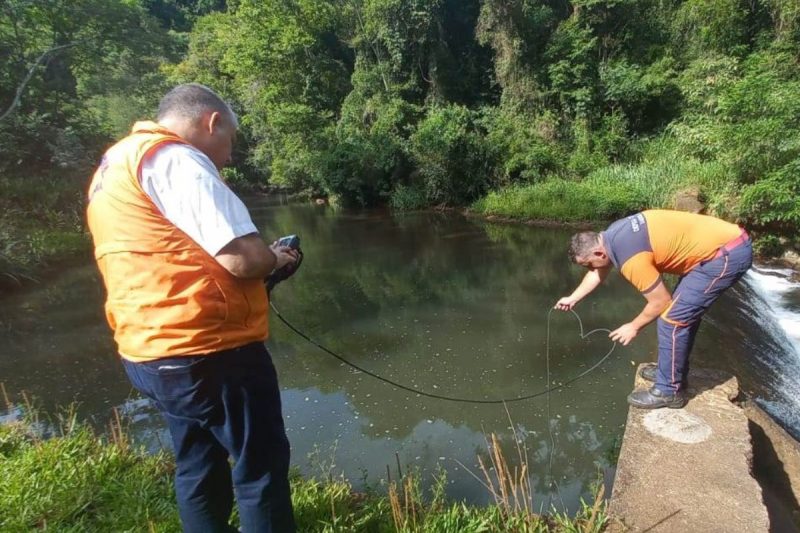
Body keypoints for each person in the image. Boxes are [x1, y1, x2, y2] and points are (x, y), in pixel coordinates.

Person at [86, 83, 298, 532]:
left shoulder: (116, 163)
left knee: (198, 464)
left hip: (151, 351)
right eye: (231, 142)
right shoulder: (177, 160)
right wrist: (275, 259)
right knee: (260, 469)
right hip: (211, 353)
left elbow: (175, 258)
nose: (228, 155)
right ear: (213, 122)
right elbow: (243, 258)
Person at [555, 210, 752, 409]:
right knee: (681, 313)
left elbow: (661, 301)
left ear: (599, 253)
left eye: (587, 264)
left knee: (672, 319)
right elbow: (598, 271)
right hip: (718, 246)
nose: (589, 268)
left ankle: (668, 392)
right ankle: (672, 373)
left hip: (725, 255)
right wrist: (573, 298)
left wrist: (633, 326)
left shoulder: (631, 259)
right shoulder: (611, 236)